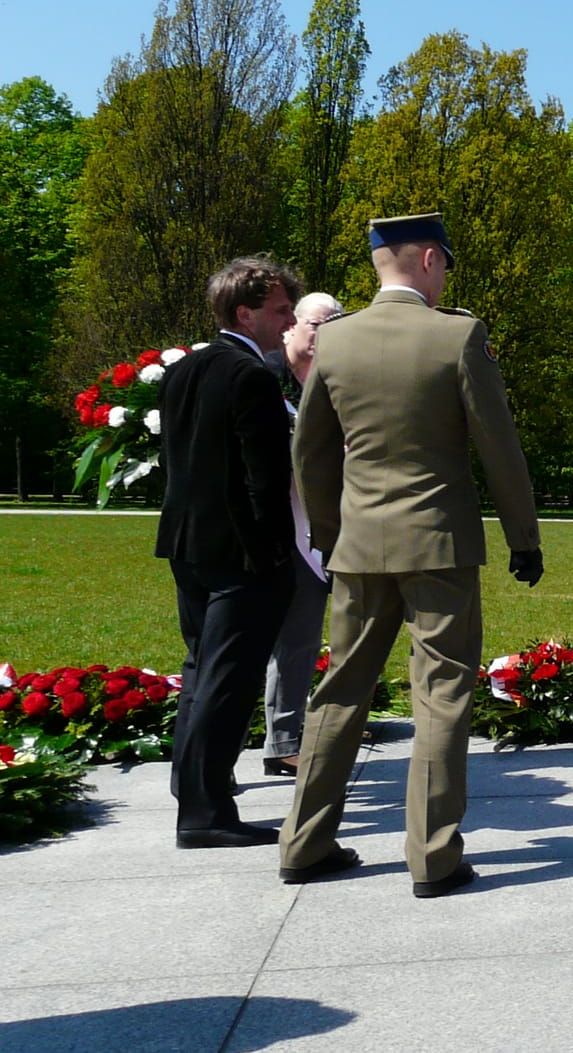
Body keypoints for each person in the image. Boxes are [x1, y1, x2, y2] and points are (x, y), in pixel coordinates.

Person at [279, 213, 543, 898]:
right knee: (442, 693)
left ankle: (304, 843)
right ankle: (432, 855)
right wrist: (523, 537)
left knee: (340, 691)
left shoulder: (336, 339)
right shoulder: (457, 334)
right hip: (438, 545)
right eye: (445, 262)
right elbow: (499, 448)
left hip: (358, 546)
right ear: (428, 258)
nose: (446, 274)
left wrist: (330, 535)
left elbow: (311, 451)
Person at [155, 256, 302, 847]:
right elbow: (264, 478)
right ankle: (206, 812)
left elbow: (174, 462)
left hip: (188, 543)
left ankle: (192, 792)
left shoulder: (182, 371)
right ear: (245, 313)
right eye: (281, 310)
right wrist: (277, 552)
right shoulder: (251, 377)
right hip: (242, 555)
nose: (289, 321)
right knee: (227, 681)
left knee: (200, 671)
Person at [263, 290, 344, 779]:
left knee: (303, 637)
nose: (324, 334)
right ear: (290, 326)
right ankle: (222, 751)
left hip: (322, 528)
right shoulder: (264, 376)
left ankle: (289, 737)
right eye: (317, 323)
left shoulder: (335, 381)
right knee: (247, 643)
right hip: (269, 529)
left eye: (335, 325)